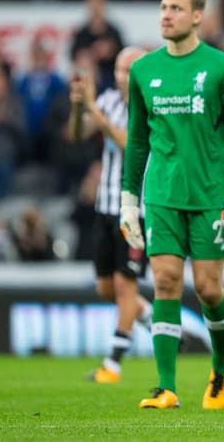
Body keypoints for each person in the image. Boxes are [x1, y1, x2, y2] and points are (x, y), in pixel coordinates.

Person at [120, 0, 224, 410]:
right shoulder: (143, 70)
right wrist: (128, 199)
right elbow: (138, 140)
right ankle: (166, 387)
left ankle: (221, 369)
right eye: (164, 7)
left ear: (197, 16)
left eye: (176, 8)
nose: (166, 14)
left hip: (209, 196)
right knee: (164, 281)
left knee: (209, 290)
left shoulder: (222, 68)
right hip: (161, 195)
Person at [69, 45, 153, 383]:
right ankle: (147, 314)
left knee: (123, 284)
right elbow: (78, 134)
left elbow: (130, 146)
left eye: (130, 70)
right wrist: (79, 108)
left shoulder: (152, 107)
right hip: (104, 209)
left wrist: (92, 109)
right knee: (107, 289)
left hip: (136, 211)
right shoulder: (108, 101)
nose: (122, 77)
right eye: (119, 69)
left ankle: (113, 364)